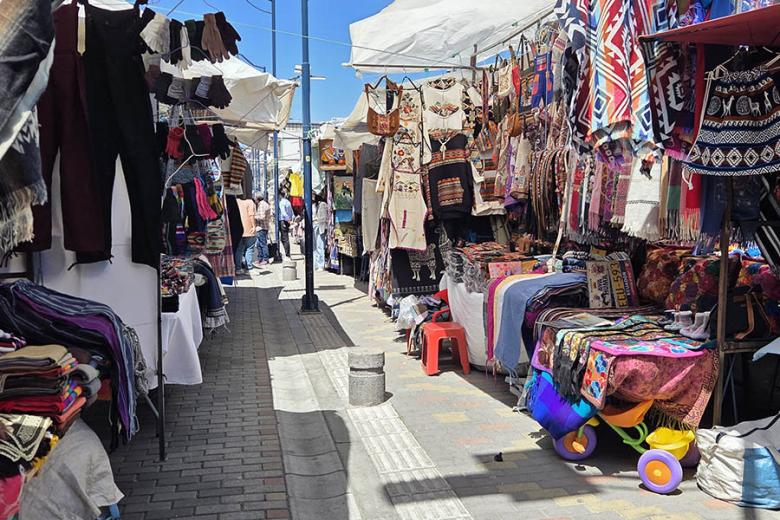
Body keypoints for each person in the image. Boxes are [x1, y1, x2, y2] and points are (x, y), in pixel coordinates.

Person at [234, 195, 256, 274]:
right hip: (248, 229)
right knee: (249, 249)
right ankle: (249, 267)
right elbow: (251, 215)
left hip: (238, 229)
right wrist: (254, 226)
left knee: (239, 249)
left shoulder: (234, 202)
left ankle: (238, 268)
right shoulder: (250, 202)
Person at [253, 192, 272, 267]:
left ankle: (265, 259)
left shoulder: (262, 205)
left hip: (261, 227)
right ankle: (261, 258)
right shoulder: (264, 204)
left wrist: (253, 217)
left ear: (257, 198)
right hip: (263, 227)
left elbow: (262, 216)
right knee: (259, 244)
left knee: (262, 244)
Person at [313, 195, 328, 271]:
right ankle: (315, 263)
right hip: (314, 225)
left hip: (319, 226)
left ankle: (320, 264)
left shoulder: (322, 204)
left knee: (320, 245)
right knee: (314, 246)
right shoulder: (314, 204)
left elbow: (324, 218)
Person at [278, 190, 293, 258]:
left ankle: (287, 254)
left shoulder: (281, 203)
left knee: (284, 238)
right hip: (286, 221)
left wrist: (288, 220)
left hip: (283, 221)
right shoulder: (288, 202)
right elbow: (291, 212)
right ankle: (287, 253)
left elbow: (283, 213)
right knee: (285, 237)